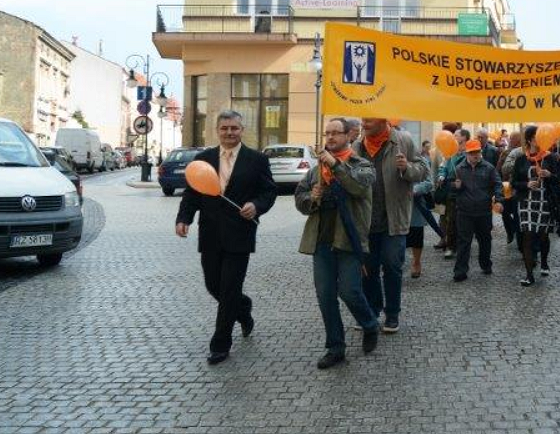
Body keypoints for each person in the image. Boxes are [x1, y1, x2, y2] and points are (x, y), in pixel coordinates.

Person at [175, 110, 277, 365]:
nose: (229, 132)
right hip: (210, 233)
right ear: (217, 131)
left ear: (242, 130)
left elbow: (269, 192)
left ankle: (220, 344)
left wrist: (256, 205)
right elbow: (192, 193)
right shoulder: (203, 159)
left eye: (234, 128)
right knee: (213, 285)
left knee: (230, 288)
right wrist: (183, 218)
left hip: (240, 233)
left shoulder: (257, 160)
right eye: (224, 128)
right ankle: (243, 308)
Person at [294, 117, 379, 369]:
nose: (330, 137)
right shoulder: (316, 171)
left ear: (348, 135)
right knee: (325, 296)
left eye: (335, 133)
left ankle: (370, 324)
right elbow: (300, 199)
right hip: (321, 241)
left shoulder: (362, 164)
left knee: (350, 291)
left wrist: (335, 165)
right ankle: (335, 347)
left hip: (349, 241)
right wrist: (312, 197)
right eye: (327, 133)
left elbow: (357, 187)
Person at [353, 118, 428, 333]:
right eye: (363, 120)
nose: (364, 124)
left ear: (382, 119)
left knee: (392, 266)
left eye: (369, 120)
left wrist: (407, 168)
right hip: (366, 221)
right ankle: (372, 311)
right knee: (368, 270)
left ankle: (392, 314)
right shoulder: (358, 145)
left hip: (393, 219)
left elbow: (423, 170)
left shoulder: (403, 140)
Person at [511, 125, 560, 286]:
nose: (539, 140)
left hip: (545, 202)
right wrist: (526, 184)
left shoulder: (550, 158)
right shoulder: (521, 159)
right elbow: (513, 182)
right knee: (527, 235)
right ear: (530, 140)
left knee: (543, 235)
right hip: (526, 202)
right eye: (536, 137)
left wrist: (549, 175)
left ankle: (544, 262)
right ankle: (529, 275)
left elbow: (559, 180)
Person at [451, 139, 503, 282]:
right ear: (467, 153)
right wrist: (455, 186)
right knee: (464, 241)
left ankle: (485, 264)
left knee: (485, 239)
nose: (475, 155)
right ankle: (460, 271)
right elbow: (449, 187)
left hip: (483, 211)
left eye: (477, 152)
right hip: (464, 211)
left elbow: (498, 184)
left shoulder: (489, 168)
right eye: (472, 152)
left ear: (481, 152)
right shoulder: (459, 168)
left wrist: (499, 200)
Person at [437, 128, 470, 259]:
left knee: (464, 219)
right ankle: (450, 246)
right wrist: (441, 175)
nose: (452, 137)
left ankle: (463, 245)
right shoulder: (450, 152)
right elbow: (443, 167)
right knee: (451, 218)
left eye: (456, 135)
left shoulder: (470, 152)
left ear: (464, 138)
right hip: (451, 187)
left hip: (466, 188)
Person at [408, 149, 436, 279]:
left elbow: (429, 183)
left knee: (416, 235)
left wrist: (415, 190)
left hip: (415, 206)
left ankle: (416, 261)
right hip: (396, 206)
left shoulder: (421, 160)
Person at [499, 130, 523, 248]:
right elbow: (500, 168)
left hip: (518, 188)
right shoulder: (506, 152)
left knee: (517, 214)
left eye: (512, 139)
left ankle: (519, 239)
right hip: (506, 187)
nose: (510, 140)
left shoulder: (524, 152)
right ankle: (510, 232)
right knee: (504, 212)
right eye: (510, 139)